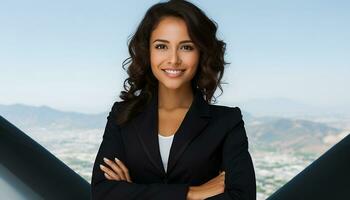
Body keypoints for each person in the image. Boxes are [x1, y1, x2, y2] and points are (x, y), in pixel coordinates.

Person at [91, 0, 256, 199]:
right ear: (147, 52)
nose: (174, 59)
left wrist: (133, 192)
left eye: (186, 47)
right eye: (161, 46)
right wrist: (191, 193)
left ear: (201, 53)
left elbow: (242, 197)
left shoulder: (227, 121)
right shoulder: (123, 115)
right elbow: (102, 193)